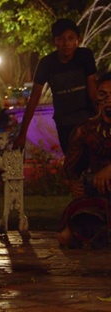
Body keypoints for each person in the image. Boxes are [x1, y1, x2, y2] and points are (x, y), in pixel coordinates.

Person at [13, 18, 98, 154]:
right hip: (64, 124)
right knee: (71, 165)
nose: (66, 43)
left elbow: (93, 90)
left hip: (87, 120)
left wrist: (102, 118)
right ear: (55, 41)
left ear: (78, 40)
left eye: (70, 38)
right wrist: (22, 134)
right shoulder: (46, 64)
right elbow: (34, 99)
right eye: (61, 38)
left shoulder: (85, 56)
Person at [59, 73, 111, 249]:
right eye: (103, 94)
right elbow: (67, 171)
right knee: (65, 237)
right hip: (96, 192)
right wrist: (72, 184)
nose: (108, 101)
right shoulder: (85, 130)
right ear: (97, 97)